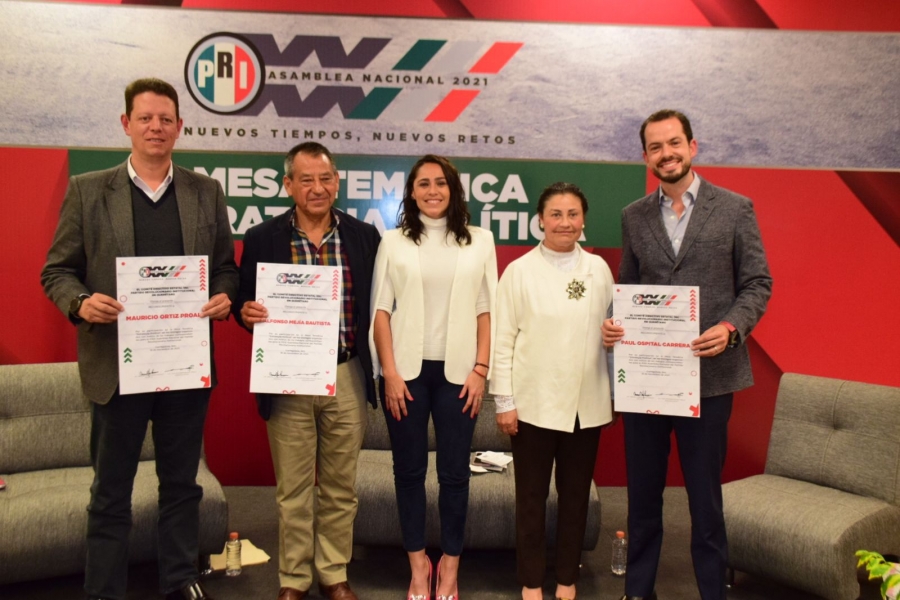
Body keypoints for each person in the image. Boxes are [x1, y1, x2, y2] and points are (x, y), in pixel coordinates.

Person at [40, 78, 238, 600]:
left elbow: (225, 267)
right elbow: (57, 271)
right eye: (145, 118)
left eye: (165, 119)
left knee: (182, 486)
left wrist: (224, 295)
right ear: (126, 124)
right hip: (116, 368)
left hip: (184, 366)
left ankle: (179, 580)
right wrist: (80, 303)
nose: (156, 127)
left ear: (179, 127)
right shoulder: (88, 190)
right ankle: (104, 590)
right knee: (110, 492)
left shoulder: (205, 192)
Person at [602, 109, 773, 600]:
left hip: (709, 378)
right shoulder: (633, 215)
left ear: (692, 147)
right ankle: (638, 591)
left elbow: (758, 283)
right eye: (656, 147)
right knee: (643, 498)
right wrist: (615, 322)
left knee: (704, 500)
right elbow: (627, 287)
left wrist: (731, 328)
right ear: (646, 157)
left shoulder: (735, 209)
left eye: (674, 143)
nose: (667, 154)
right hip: (648, 381)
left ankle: (712, 592)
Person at [234, 141, 380, 600]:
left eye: (325, 179)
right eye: (306, 180)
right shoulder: (262, 238)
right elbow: (242, 301)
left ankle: (333, 573)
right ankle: (293, 579)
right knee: (293, 489)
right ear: (288, 185)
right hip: (288, 377)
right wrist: (245, 313)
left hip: (347, 374)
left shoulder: (364, 237)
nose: (317, 188)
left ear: (337, 182)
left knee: (340, 487)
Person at [369, 154, 498, 600]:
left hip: (461, 375)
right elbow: (380, 311)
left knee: (455, 475)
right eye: (422, 183)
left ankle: (450, 569)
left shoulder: (480, 240)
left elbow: (487, 309)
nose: (432, 191)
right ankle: (419, 566)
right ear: (411, 192)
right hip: (405, 375)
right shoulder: (394, 241)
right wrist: (389, 372)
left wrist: (481, 369)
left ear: (453, 189)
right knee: (408, 472)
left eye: (440, 182)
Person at [491, 182, 614, 600]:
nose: (565, 222)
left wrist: (616, 349)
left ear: (583, 220)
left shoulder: (599, 269)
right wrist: (504, 402)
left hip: (586, 405)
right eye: (556, 215)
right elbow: (502, 341)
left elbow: (613, 331)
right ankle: (530, 581)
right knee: (530, 498)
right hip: (533, 406)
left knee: (576, 498)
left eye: (573, 214)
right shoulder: (519, 271)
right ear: (540, 220)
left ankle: (566, 578)